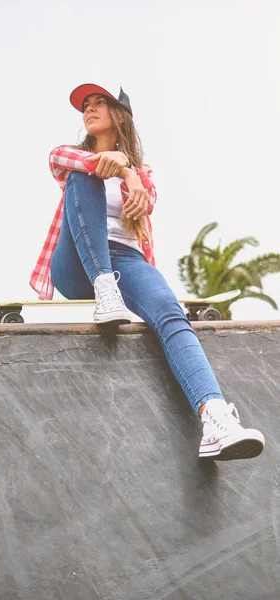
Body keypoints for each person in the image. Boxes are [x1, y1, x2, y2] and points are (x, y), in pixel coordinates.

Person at [30, 82, 265, 461]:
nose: (88, 110)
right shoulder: (71, 155)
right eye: (85, 105)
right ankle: (104, 289)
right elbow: (60, 159)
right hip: (77, 265)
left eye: (98, 103)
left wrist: (131, 173)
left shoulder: (144, 174)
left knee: (171, 314)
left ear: (118, 114)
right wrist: (121, 169)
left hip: (126, 260)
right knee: (83, 176)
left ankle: (216, 420)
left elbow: (149, 200)